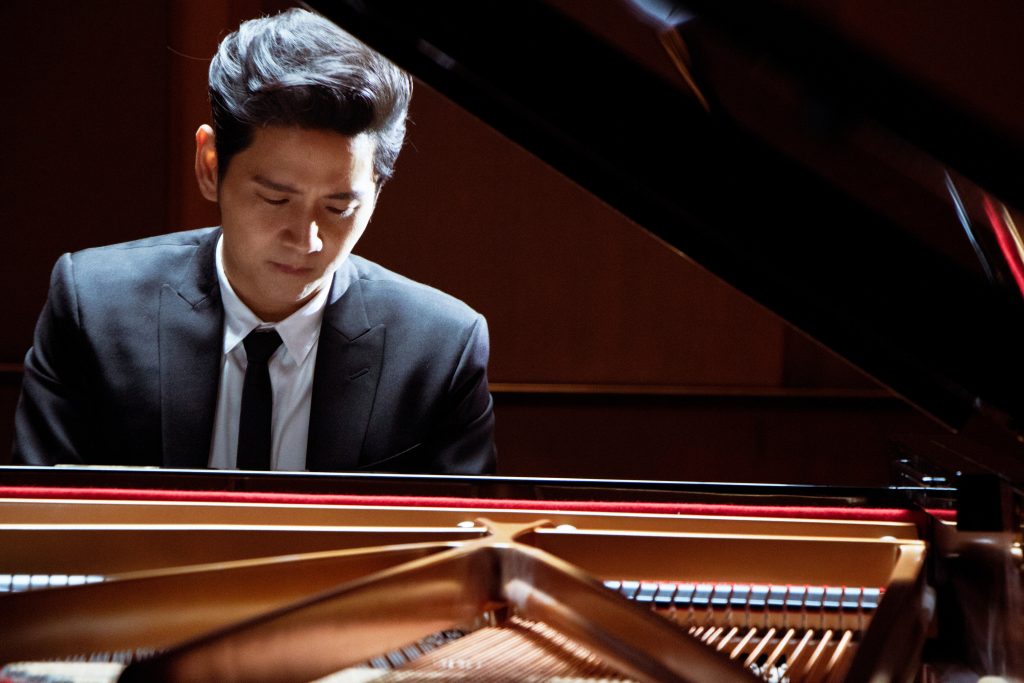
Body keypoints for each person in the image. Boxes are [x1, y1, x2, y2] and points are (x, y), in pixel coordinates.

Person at [12, 8, 496, 474]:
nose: (306, 240)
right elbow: (38, 517)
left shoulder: (441, 349)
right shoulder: (93, 309)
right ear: (209, 167)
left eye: (339, 208)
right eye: (275, 199)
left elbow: (462, 531)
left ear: (377, 192)